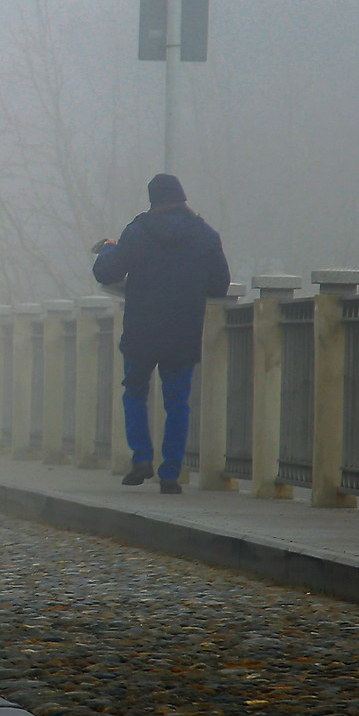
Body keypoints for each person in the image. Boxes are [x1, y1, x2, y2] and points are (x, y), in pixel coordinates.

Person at [90, 173, 230, 493]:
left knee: (135, 392)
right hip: (183, 330)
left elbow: (105, 272)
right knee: (178, 402)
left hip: (142, 329)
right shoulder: (206, 235)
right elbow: (219, 284)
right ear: (182, 198)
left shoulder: (137, 233)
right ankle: (170, 473)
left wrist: (111, 249)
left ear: (153, 200)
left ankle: (141, 457)